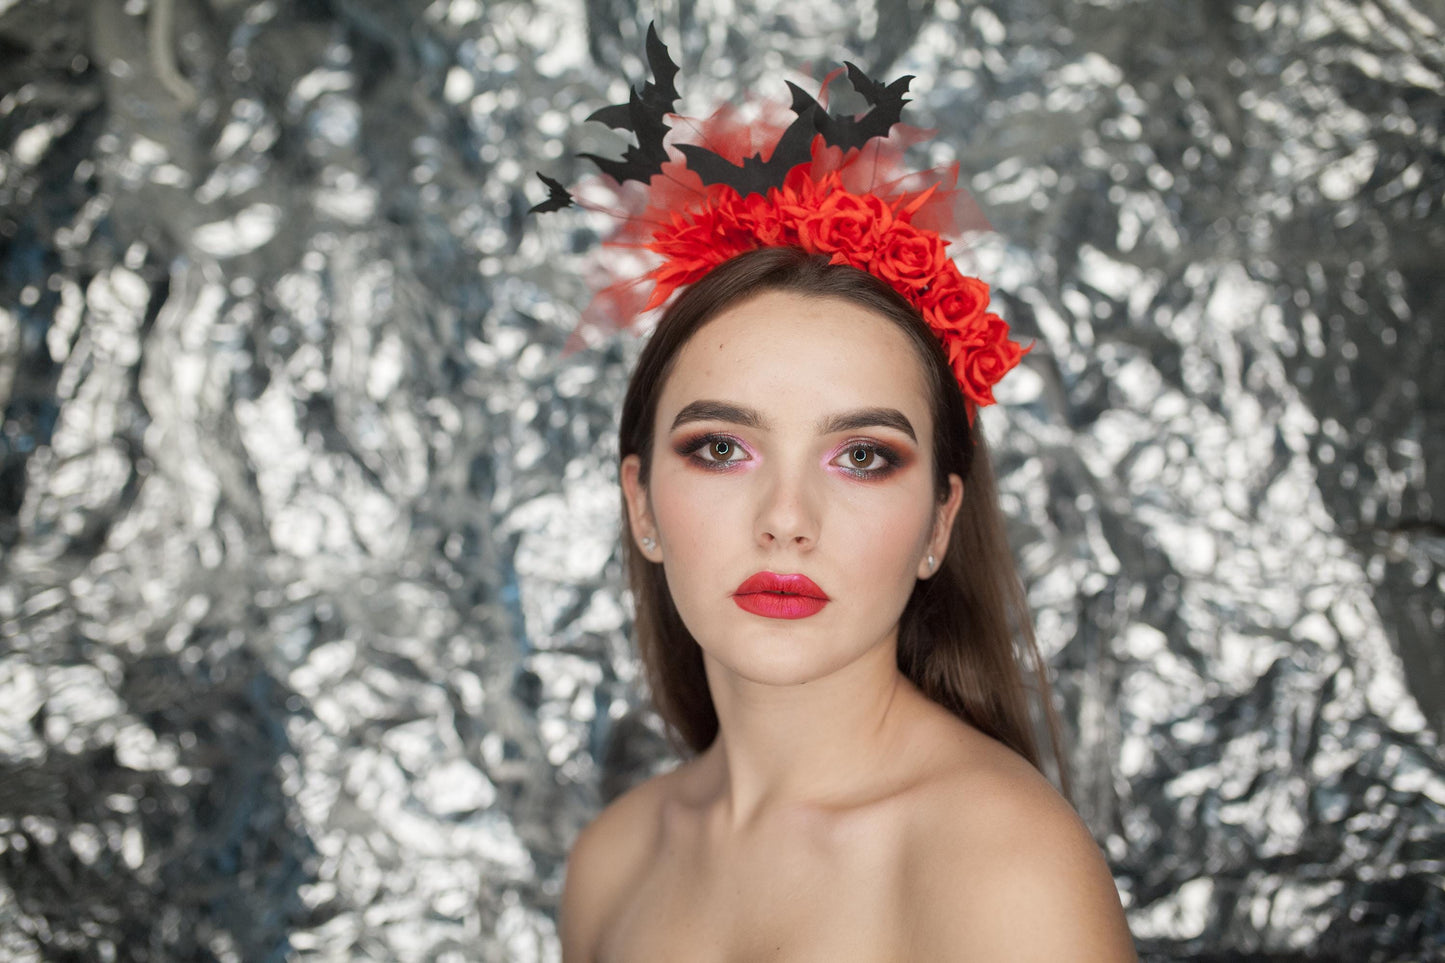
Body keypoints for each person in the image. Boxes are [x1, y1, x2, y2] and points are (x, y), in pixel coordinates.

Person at [535, 27, 1136, 962]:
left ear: (939, 522)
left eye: (861, 457)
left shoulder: (1005, 868)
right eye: (721, 446)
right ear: (642, 505)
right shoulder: (612, 862)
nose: (786, 520)